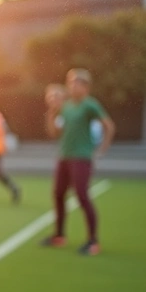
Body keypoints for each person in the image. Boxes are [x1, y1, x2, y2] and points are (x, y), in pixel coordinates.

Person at [41, 68, 115, 256]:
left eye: (78, 83)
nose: (73, 85)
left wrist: (102, 149)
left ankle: (93, 241)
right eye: (71, 82)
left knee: (82, 195)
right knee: (58, 194)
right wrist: (51, 114)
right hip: (64, 156)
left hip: (81, 157)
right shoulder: (65, 107)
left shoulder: (89, 105)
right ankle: (59, 236)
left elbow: (109, 125)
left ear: (86, 87)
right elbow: (55, 133)